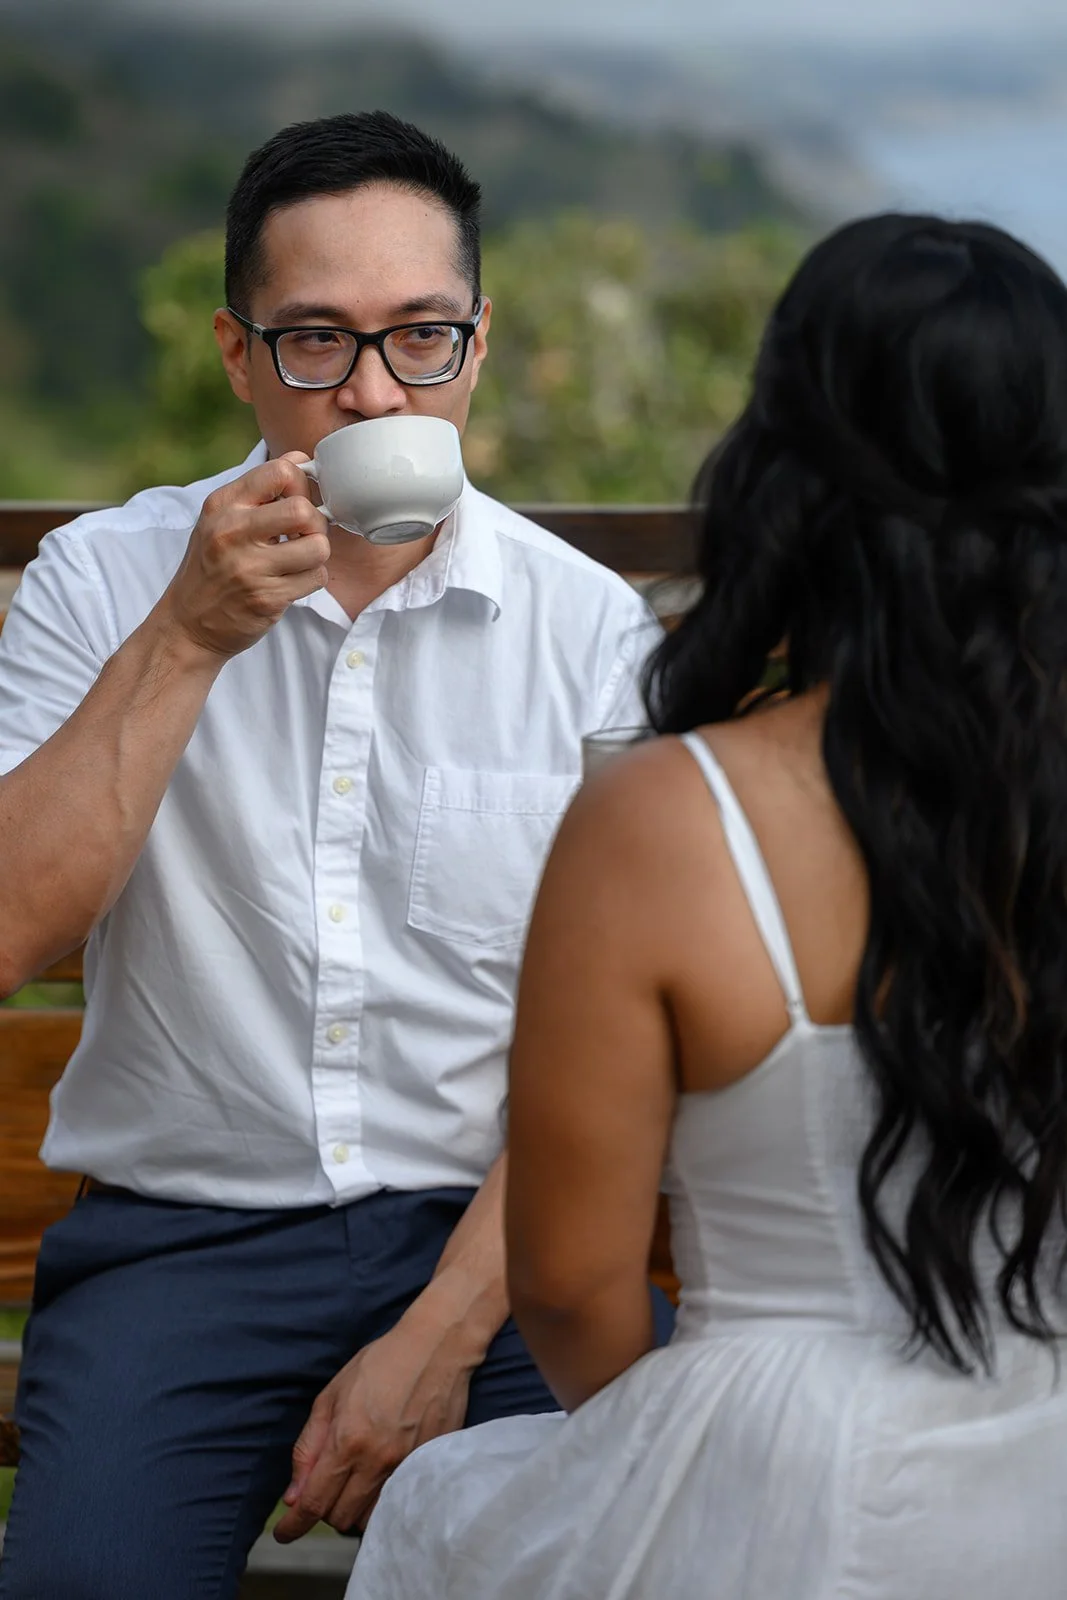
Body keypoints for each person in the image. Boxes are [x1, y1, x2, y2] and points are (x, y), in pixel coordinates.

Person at [347, 212, 1067, 1600]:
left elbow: (566, 1284)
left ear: (784, 468)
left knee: (445, 1512)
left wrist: (681, 1461)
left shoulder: (669, 819)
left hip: (786, 1460)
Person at [0, 111, 668, 1600]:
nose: (371, 392)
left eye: (419, 337)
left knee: (648, 1558)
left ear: (477, 348)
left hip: (504, 1249)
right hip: (180, 1253)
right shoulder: (105, 580)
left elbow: (622, 1047)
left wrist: (438, 1335)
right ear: (239, 358)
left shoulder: (585, 633)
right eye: (316, 343)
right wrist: (185, 641)